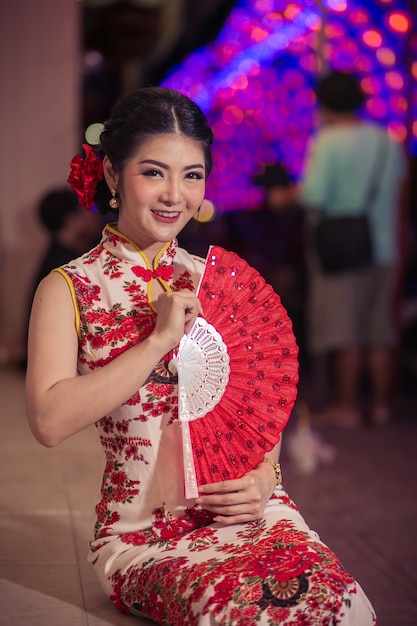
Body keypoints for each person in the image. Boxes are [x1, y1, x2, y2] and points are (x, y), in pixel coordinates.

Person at [25, 86, 377, 624]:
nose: (175, 195)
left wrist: (263, 479)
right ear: (114, 175)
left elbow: (259, 396)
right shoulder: (70, 287)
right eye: (154, 172)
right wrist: (158, 342)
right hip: (143, 535)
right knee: (249, 613)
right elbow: (49, 421)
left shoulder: (214, 278)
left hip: (249, 512)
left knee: (343, 605)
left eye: (192, 175)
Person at [268, 71, 409, 428]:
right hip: (384, 246)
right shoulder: (386, 141)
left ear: (324, 104)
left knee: (345, 329)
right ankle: (379, 406)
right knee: (378, 331)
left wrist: (283, 197)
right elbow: (402, 188)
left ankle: (346, 406)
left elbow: (315, 195)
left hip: (342, 249)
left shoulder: (329, 141)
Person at [19, 188, 101, 370]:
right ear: (72, 220)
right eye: (89, 210)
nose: (95, 216)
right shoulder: (63, 268)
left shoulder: (58, 255)